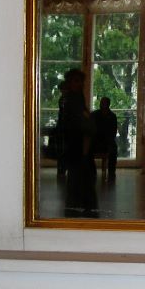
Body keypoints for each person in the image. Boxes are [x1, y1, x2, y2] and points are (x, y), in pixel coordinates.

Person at [62, 68, 98, 217]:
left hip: (78, 141)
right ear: (70, 82)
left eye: (80, 81)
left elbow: (84, 118)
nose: (80, 84)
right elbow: (79, 120)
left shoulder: (75, 97)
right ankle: (81, 208)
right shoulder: (71, 99)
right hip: (76, 141)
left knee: (81, 176)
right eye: (76, 81)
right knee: (79, 175)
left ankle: (79, 208)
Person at [91, 96, 118, 182]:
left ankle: (111, 172)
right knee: (87, 148)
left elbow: (113, 131)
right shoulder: (94, 115)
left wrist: (108, 139)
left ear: (108, 104)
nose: (102, 104)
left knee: (113, 148)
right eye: (101, 103)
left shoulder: (112, 116)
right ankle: (92, 171)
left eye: (104, 103)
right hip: (96, 140)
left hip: (107, 140)